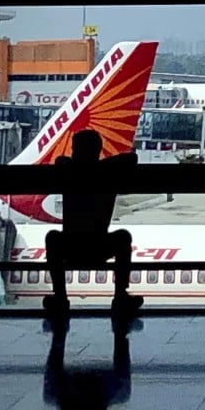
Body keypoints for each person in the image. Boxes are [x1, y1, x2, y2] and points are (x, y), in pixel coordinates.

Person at [43, 129, 143, 316]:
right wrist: (100, 166)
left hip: (72, 245)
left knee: (52, 238)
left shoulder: (70, 171)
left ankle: (60, 297)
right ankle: (120, 295)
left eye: (75, 149)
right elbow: (131, 159)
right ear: (98, 150)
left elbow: (60, 161)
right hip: (99, 244)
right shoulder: (108, 173)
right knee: (123, 237)